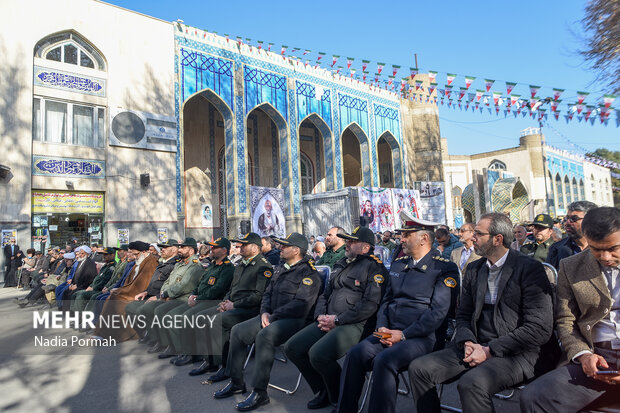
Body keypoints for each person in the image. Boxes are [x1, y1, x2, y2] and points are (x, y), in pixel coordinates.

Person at [408, 212, 554, 413]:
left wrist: (490, 350)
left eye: (478, 233)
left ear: (497, 239)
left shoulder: (529, 269)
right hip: (475, 344)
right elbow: (463, 314)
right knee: (419, 369)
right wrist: (467, 341)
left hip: (516, 352)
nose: (471, 237)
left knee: (471, 383)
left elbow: (539, 328)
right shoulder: (476, 269)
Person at [337, 218, 459, 413]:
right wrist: (382, 327)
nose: (401, 239)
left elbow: (437, 313)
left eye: (406, 235)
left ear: (424, 238)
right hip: (389, 331)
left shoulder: (444, 268)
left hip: (422, 337)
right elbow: (387, 301)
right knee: (355, 354)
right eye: (402, 235)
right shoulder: (398, 264)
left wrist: (403, 335)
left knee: (384, 360)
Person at [521, 206, 620, 412]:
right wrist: (583, 355)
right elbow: (566, 321)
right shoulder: (571, 266)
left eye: (613, 249)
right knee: (534, 397)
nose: (605, 257)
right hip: (596, 357)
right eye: (596, 249)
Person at [214, 233, 321, 411]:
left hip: (295, 320)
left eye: (285, 246)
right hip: (271, 316)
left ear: (296, 250)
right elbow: (267, 294)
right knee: (238, 331)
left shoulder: (309, 272)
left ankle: (260, 391)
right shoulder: (281, 269)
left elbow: (301, 305)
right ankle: (236, 382)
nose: (280, 247)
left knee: (265, 336)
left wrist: (273, 315)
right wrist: (265, 312)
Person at [284, 227, 388, 409]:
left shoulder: (374, 267)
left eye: (352, 241)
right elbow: (326, 293)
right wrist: (321, 316)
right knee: (292, 347)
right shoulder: (342, 263)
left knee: (318, 354)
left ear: (365, 248)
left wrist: (337, 320)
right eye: (347, 240)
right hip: (329, 320)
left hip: (356, 324)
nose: (347, 243)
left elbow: (369, 305)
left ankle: (341, 397)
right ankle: (323, 389)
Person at [203, 233, 273, 383]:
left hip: (250, 310)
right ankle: (212, 362)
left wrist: (234, 305)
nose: (239, 247)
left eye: (243, 244)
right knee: (205, 316)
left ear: (255, 248)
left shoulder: (263, 267)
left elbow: (258, 296)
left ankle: (226, 367)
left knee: (217, 321)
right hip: (233, 306)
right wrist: (225, 301)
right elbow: (232, 288)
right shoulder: (241, 264)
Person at [163, 237, 234, 375]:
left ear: (224, 250)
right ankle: (186, 351)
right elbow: (200, 284)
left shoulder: (228, 268)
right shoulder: (213, 265)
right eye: (212, 247)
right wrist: (193, 295)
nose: (211, 249)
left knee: (190, 317)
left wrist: (198, 298)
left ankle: (196, 355)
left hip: (212, 301)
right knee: (180, 315)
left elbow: (217, 289)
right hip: (199, 299)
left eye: (215, 247)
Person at [139, 238, 204, 356]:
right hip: (170, 296)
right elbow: (168, 281)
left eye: (183, 247)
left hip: (183, 299)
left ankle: (174, 347)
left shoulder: (195, 266)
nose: (180, 249)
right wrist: (163, 293)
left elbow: (184, 285)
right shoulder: (179, 264)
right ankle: (160, 340)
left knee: (161, 311)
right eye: (180, 247)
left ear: (191, 251)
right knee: (146, 309)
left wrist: (166, 294)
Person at [93, 241, 158, 341]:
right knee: (111, 297)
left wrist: (121, 291)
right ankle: (104, 332)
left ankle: (116, 334)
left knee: (116, 300)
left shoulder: (151, 262)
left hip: (139, 294)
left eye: (136, 254)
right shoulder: (139, 261)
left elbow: (142, 284)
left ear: (144, 252)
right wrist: (119, 289)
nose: (134, 256)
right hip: (130, 291)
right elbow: (129, 280)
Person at [125, 239, 181, 343]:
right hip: (150, 295)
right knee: (129, 307)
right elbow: (154, 282)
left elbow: (170, 285)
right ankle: (146, 333)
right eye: (161, 248)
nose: (162, 250)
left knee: (143, 310)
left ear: (174, 250)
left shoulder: (174, 265)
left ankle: (156, 338)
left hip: (162, 296)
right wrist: (146, 292)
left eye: (165, 248)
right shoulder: (162, 262)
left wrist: (157, 296)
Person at [546, 200, 598, 270]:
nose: (567, 223)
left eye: (574, 219)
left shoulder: (605, 246)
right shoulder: (556, 249)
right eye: (566, 218)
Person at [69, 248, 117, 313]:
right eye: (103, 255)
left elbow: (105, 281)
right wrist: (91, 286)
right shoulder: (105, 266)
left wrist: (93, 287)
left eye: (106, 255)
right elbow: (97, 278)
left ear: (113, 255)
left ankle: (85, 318)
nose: (104, 256)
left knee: (81, 295)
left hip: (99, 289)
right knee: (75, 294)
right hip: (93, 287)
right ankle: (74, 314)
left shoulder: (112, 267)